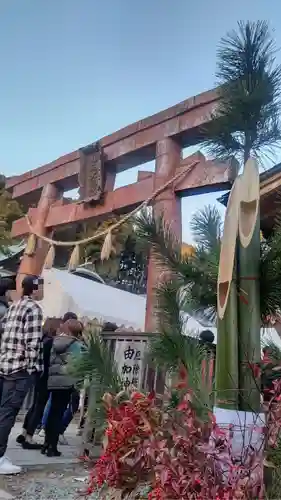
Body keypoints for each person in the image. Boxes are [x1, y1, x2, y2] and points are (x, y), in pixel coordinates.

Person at [0, 275, 43, 474]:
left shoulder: (13, 307)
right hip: (19, 369)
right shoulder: (33, 308)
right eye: (41, 287)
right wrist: (31, 367)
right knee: (8, 413)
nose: (42, 291)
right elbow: (32, 343)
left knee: (4, 411)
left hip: (5, 365)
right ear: (34, 289)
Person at [42, 318, 83, 457]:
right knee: (59, 413)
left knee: (53, 412)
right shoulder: (76, 345)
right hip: (67, 382)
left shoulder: (55, 341)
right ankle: (53, 447)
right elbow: (79, 364)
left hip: (53, 381)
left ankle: (46, 444)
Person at [16, 318, 58, 449]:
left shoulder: (42, 339)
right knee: (39, 407)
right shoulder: (51, 342)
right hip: (46, 378)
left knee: (34, 406)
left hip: (38, 376)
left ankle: (24, 432)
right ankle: (29, 437)